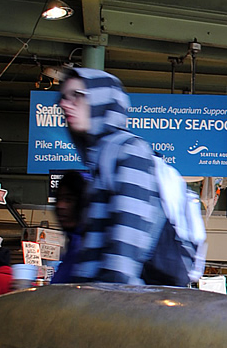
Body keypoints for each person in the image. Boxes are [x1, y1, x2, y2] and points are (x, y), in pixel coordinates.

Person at [56, 68, 164, 284]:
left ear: (101, 98)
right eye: (64, 97)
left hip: (110, 304)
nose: (64, 104)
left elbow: (127, 240)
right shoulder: (101, 158)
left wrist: (105, 301)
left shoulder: (129, 150)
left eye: (77, 95)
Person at [50, 170, 87, 284]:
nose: (60, 206)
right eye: (59, 199)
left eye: (68, 200)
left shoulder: (87, 250)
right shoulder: (73, 247)